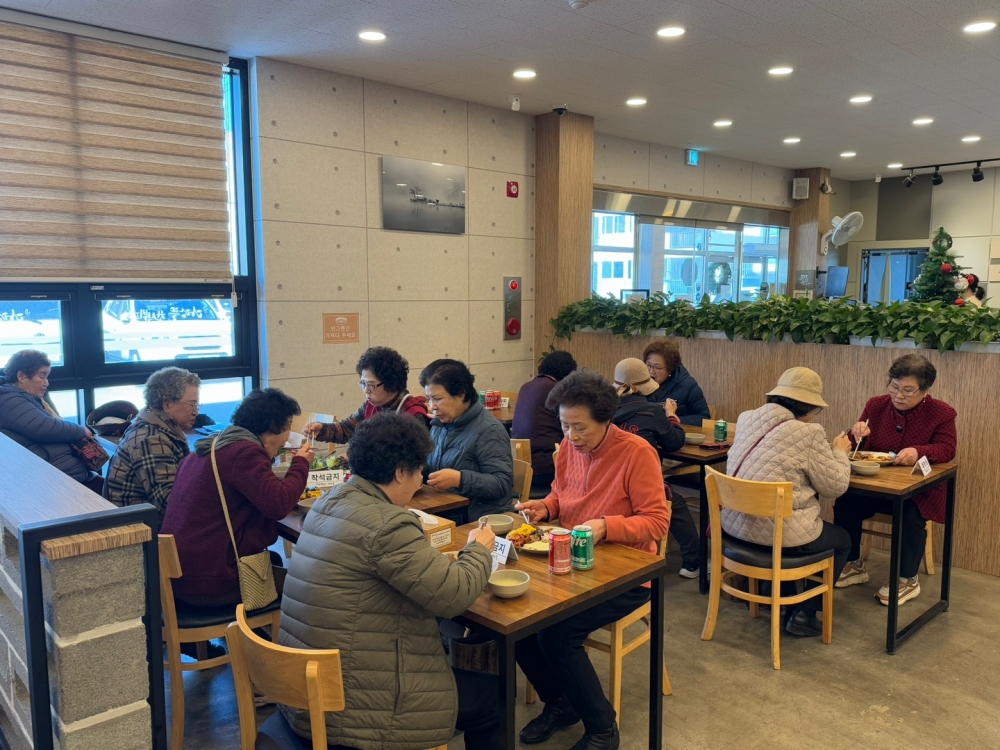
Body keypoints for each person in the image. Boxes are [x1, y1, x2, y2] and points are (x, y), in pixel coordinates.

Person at [278, 413, 498, 750]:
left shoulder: (328, 501)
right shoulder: (387, 524)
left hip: (303, 689)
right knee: (494, 698)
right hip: (357, 706)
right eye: (419, 470)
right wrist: (479, 549)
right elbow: (455, 595)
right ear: (399, 472)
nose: (421, 478)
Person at [514, 370, 670, 750]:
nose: (571, 436)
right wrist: (546, 508)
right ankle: (561, 702)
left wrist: (606, 525)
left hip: (627, 574)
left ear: (606, 419)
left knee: (558, 634)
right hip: (573, 563)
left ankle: (602, 728)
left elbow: (657, 521)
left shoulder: (636, 453)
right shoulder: (570, 448)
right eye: (564, 426)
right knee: (517, 622)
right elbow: (561, 495)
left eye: (580, 427)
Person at [724, 367, 853, 637]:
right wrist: (840, 452)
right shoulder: (809, 433)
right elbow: (835, 487)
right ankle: (805, 613)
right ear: (810, 407)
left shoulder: (746, 418)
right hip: (778, 538)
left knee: (785, 522)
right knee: (842, 540)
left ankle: (770, 591)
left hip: (735, 529)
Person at [160, 388, 315, 607]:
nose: (288, 436)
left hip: (182, 577)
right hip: (210, 582)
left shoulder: (209, 448)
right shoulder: (244, 453)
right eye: (289, 425)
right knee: (306, 588)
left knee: (274, 561)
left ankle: (253, 628)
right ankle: (256, 630)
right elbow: (279, 504)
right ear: (274, 427)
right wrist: (301, 463)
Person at [834, 354, 957, 606]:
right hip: (877, 484)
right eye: (894, 387)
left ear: (925, 390)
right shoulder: (876, 405)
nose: (899, 395)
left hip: (917, 488)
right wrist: (857, 434)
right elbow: (857, 447)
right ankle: (853, 564)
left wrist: (919, 451)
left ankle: (907, 579)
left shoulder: (942, 413)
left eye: (908, 390)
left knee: (910, 514)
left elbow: (947, 449)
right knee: (846, 501)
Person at [612, 357, 701, 579]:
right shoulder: (651, 411)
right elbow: (675, 442)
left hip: (609, 483)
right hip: (640, 487)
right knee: (673, 501)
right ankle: (693, 563)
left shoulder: (603, 411)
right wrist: (671, 416)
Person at [104, 367, 201, 525]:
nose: (196, 412)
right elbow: (170, 504)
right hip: (142, 532)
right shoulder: (152, 439)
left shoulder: (153, 425)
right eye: (192, 404)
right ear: (167, 404)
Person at [420, 359, 513, 519]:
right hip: (445, 510)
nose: (432, 406)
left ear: (461, 394)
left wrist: (460, 480)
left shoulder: (489, 430)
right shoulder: (439, 425)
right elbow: (431, 468)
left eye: (438, 399)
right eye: (429, 399)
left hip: (479, 519)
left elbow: (502, 483)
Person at [302, 346, 429, 444]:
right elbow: (348, 428)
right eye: (363, 384)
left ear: (391, 383)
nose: (366, 391)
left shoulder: (413, 414)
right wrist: (322, 429)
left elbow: (415, 460)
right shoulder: (371, 406)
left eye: (371, 385)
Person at [0, 349, 90, 481]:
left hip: (56, 472)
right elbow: (45, 428)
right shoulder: (9, 399)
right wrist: (82, 430)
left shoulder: (24, 397)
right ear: (22, 376)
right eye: (42, 376)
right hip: (46, 479)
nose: (46, 383)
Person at [511, 350, 577, 491]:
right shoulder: (557, 390)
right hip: (546, 468)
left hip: (520, 469)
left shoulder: (525, 386)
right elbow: (572, 426)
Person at [643, 341, 710, 426]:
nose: (651, 372)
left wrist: (676, 419)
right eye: (648, 365)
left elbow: (704, 418)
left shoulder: (688, 385)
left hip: (676, 432)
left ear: (670, 369)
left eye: (657, 367)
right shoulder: (640, 382)